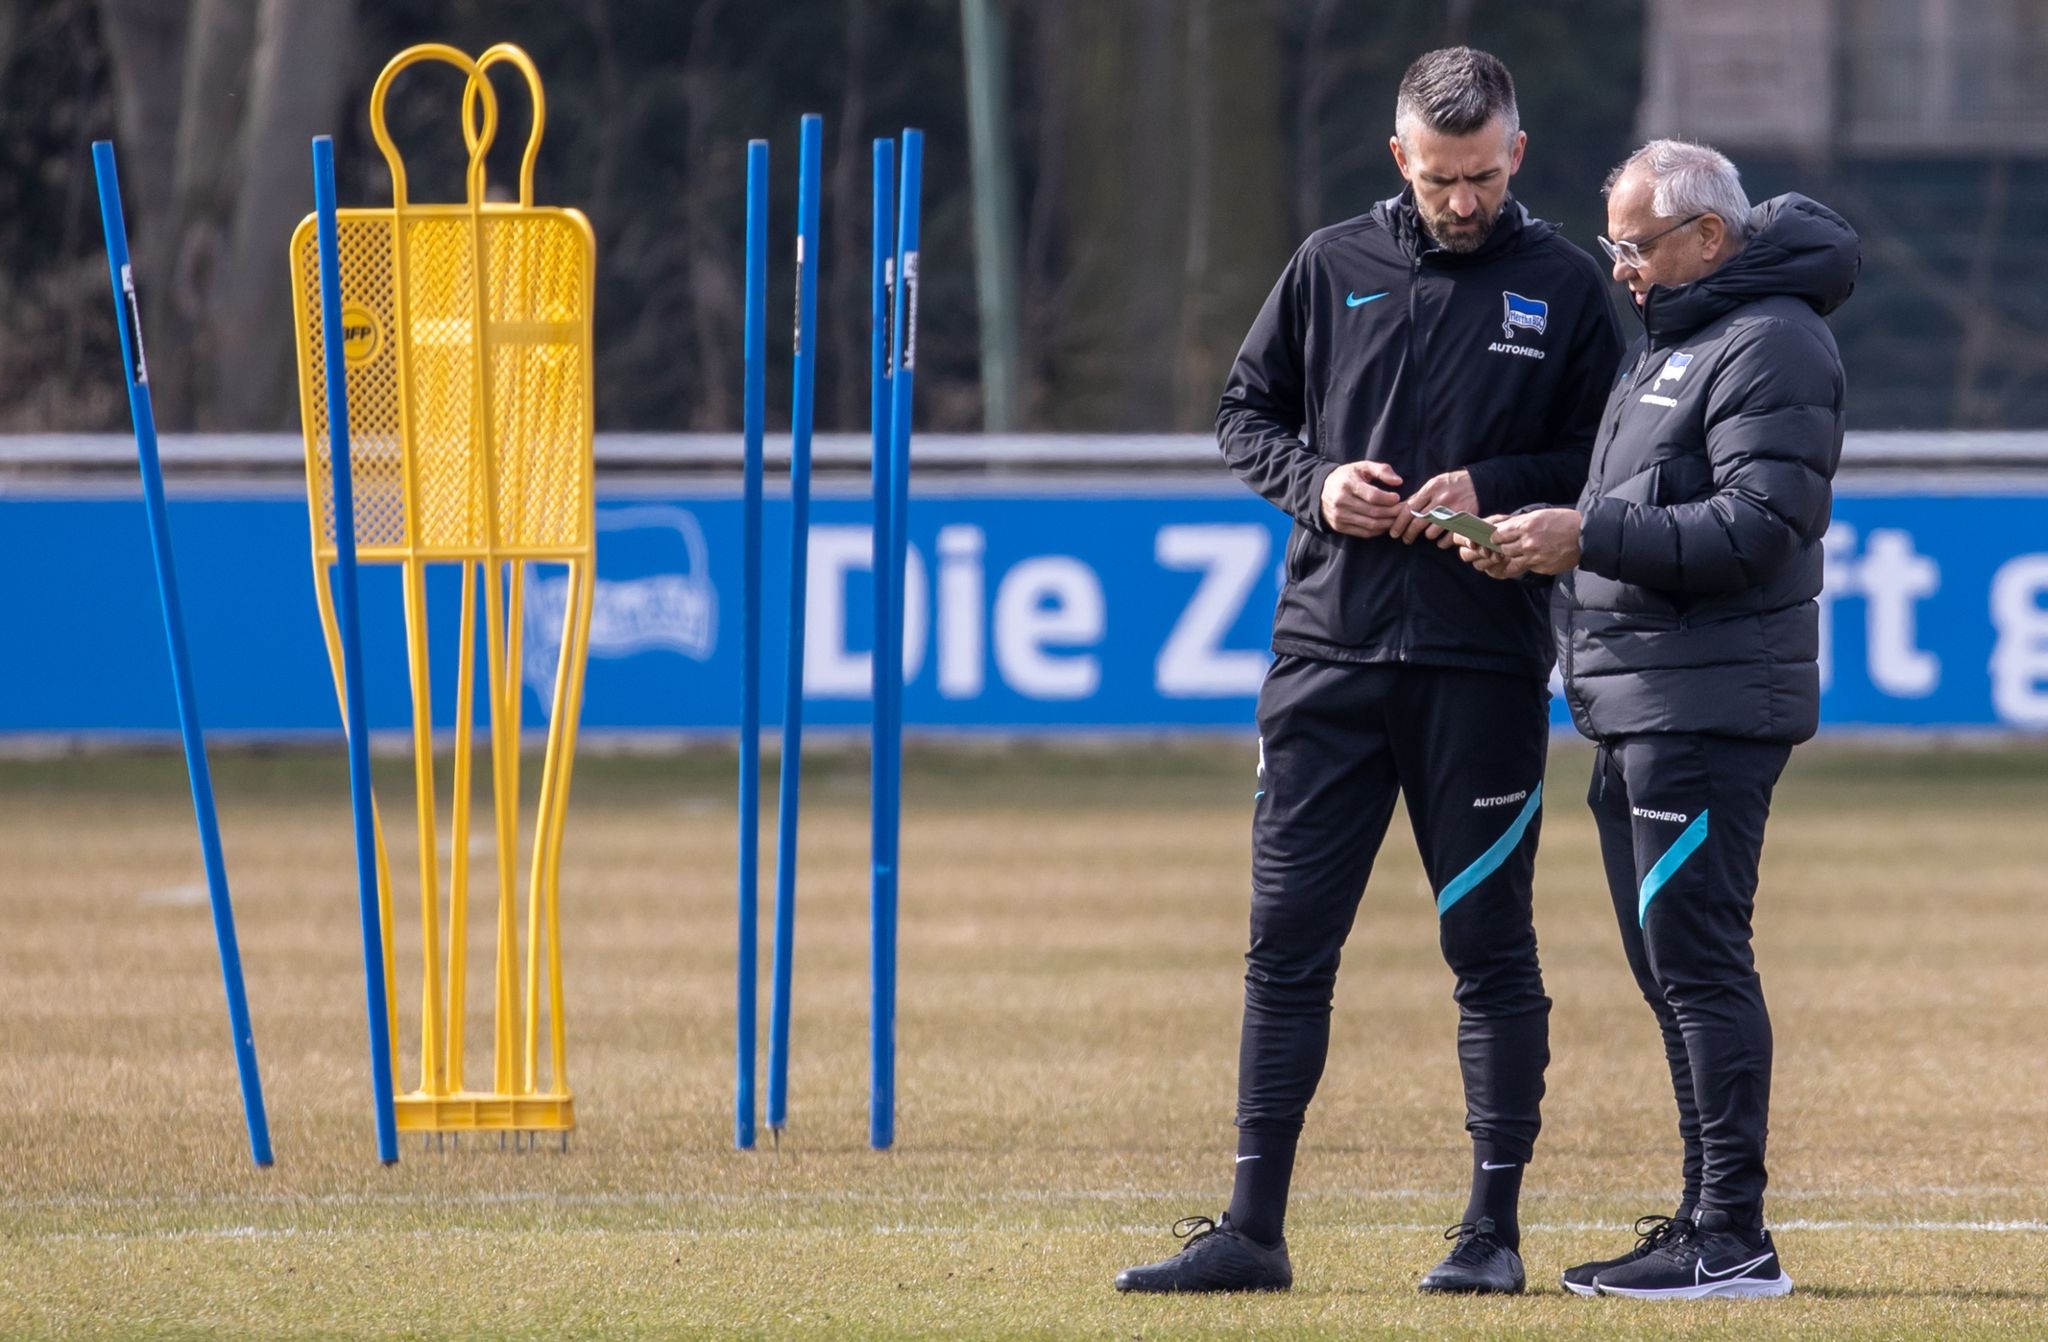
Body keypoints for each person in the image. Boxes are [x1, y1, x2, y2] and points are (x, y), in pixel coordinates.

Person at [1114, 46, 1621, 1297]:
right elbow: (1246, 413)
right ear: (1399, 158)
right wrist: (1317, 485)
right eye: (1440, 177)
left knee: (1488, 949)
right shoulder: (1328, 262)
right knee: (1284, 946)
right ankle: (1250, 1230)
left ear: (1516, 153)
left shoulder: (1563, 285)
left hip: (1481, 665)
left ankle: (1489, 1233)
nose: (1462, 199)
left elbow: (1607, 454)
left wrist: (1496, 488)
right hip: (1324, 662)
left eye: (1482, 176)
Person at [1457, 138, 1859, 1299]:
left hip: (1705, 705)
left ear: (1707, 238)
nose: (1619, 268)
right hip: (1635, 700)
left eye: (1633, 246)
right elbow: (1636, 514)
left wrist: (1587, 536)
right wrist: (1537, 537)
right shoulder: (1673, 344)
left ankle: (1731, 1234)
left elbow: (1754, 528)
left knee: (1697, 964)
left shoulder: (1774, 340)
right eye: (1612, 246)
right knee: (1665, 969)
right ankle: (1699, 1217)